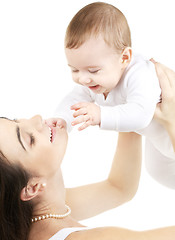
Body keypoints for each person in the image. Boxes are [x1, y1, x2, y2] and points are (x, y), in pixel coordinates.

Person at [47, 2, 175, 189]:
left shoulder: (140, 75)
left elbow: (140, 114)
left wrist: (101, 115)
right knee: (157, 170)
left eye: (93, 70)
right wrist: (62, 119)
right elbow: (75, 99)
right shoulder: (98, 79)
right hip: (160, 138)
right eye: (74, 69)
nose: (83, 79)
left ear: (124, 58)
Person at [1, 114, 175, 240]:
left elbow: (119, 188)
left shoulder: (28, 215)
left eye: (16, 120)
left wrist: (129, 114)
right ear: (32, 188)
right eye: (29, 139)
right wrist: (171, 117)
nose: (36, 119)